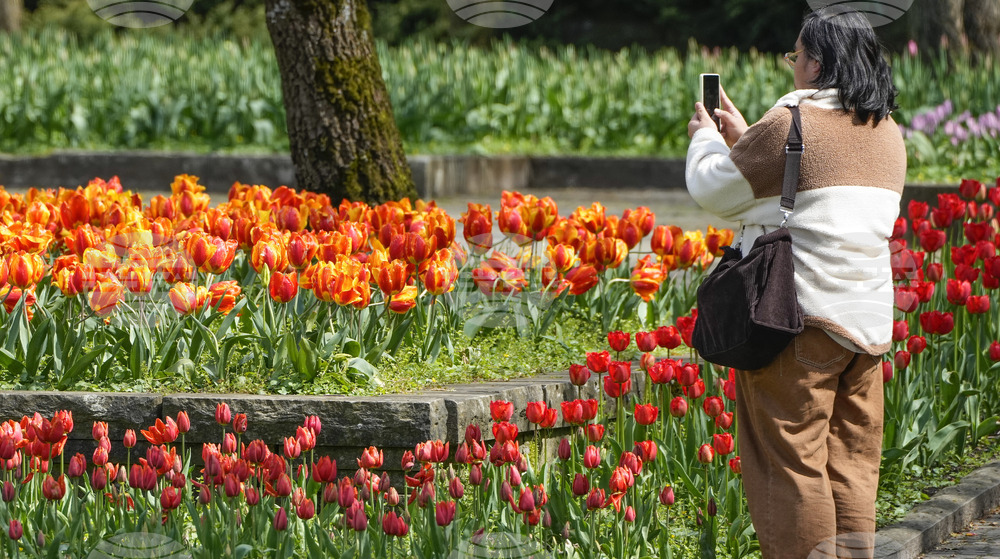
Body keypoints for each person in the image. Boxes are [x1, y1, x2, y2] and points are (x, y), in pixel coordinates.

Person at [685, 8, 906, 559]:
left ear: (815, 63)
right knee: (850, 465)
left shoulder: (793, 122)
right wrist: (748, 138)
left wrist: (708, 141)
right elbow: (817, 193)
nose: (793, 66)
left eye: (795, 55)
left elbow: (715, 189)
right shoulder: (886, 130)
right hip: (867, 329)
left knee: (792, 465)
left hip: (799, 321)